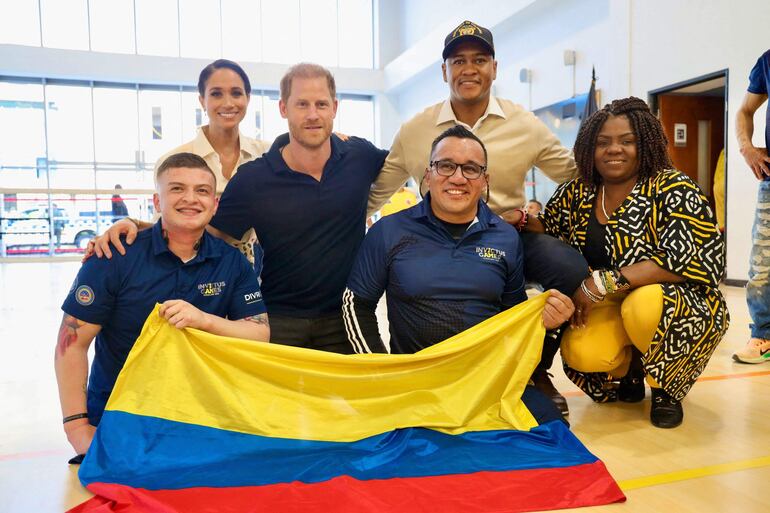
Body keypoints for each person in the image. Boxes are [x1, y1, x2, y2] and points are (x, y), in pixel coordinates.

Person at [366, 20, 586, 414]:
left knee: (568, 267)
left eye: (480, 59)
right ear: (444, 71)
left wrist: (536, 213)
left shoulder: (525, 125)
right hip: (431, 237)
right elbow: (377, 190)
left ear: (495, 68)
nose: (469, 69)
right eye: (459, 60)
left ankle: (534, 368)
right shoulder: (416, 130)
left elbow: (574, 176)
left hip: (505, 237)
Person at [343, 126, 574, 419]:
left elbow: (511, 318)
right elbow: (356, 306)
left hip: (485, 387)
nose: (457, 177)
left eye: (471, 169)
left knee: (554, 438)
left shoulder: (505, 237)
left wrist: (545, 320)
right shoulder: (389, 232)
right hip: (414, 388)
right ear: (428, 174)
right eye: (446, 166)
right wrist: (381, 374)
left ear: (485, 180)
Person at [526, 97, 729, 428]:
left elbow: (689, 259)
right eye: (602, 142)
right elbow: (551, 231)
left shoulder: (672, 187)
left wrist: (602, 282)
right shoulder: (578, 191)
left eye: (627, 141)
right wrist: (522, 217)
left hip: (676, 301)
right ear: (589, 148)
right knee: (582, 353)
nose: (613, 150)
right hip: (609, 301)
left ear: (646, 144)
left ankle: (666, 388)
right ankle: (633, 367)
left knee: (643, 306)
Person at [55, 153, 270, 458]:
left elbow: (259, 335)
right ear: (157, 202)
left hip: (200, 421)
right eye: (177, 189)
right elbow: (72, 344)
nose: (191, 199)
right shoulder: (114, 256)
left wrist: (204, 320)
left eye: (202, 191)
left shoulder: (231, 261)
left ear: (215, 204)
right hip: (121, 419)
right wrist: (76, 428)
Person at [206, 63, 387, 352]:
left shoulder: (360, 156)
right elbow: (210, 239)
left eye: (321, 104)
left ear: (335, 108)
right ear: (283, 108)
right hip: (279, 319)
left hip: (346, 318)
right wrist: (139, 230)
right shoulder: (253, 179)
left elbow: (411, 166)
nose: (313, 114)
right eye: (302, 104)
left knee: (373, 390)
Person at [88, 59, 269, 263]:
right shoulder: (173, 160)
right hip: (196, 269)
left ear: (248, 98)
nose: (228, 103)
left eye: (236, 93)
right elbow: (166, 227)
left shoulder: (266, 154)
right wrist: (131, 224)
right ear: (202, 100)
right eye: (216, 93)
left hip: (256, 270)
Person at [732, 49, 770, 364]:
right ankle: (763, 336)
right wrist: (747, 148)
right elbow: (745, 110)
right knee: (763, 265)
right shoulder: (768, 61)